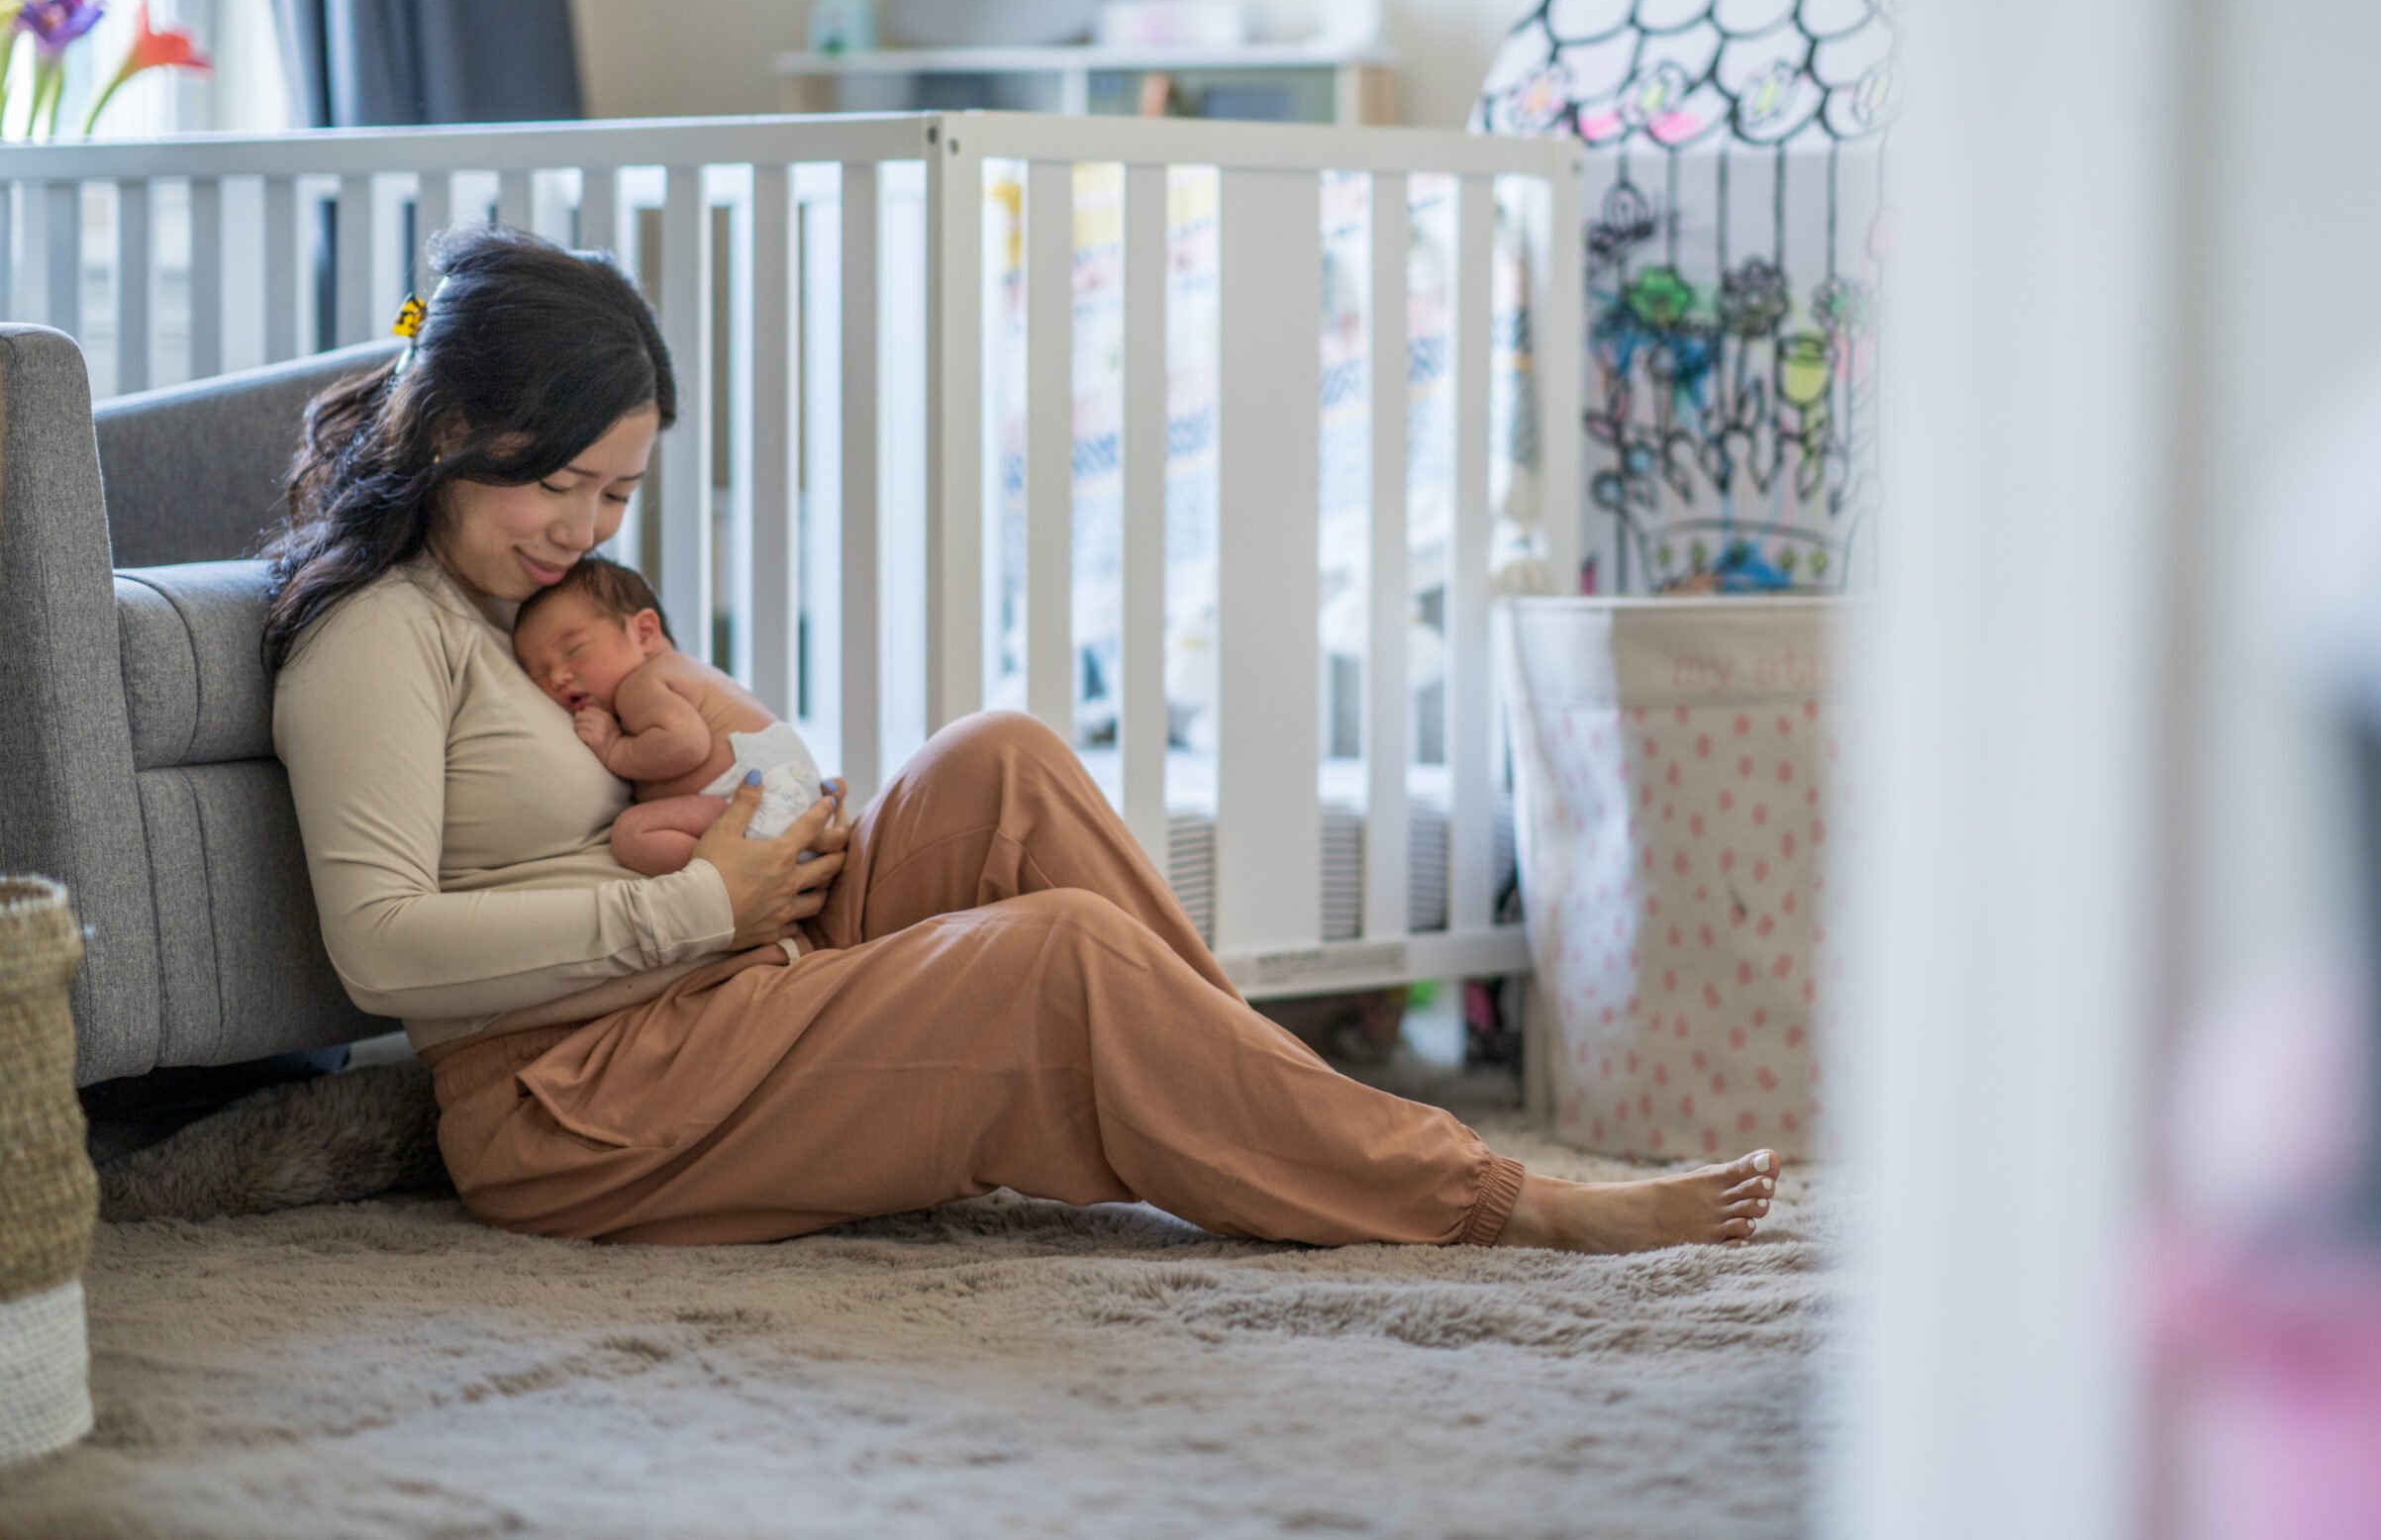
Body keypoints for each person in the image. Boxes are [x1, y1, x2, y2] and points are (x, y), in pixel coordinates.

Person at [264, 223, 1780, 1252]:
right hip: (586, 1093)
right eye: (564, 488)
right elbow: (383, 950)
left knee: (1000, 753)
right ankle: (1489, 1196)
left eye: (618, 497)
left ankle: (1305, 1113)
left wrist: (773, 816)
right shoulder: (376, 640)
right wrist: (700, 901)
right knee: (1053, 955)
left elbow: (675, 758)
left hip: (728, 964)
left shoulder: (530, 600)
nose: (587, 532)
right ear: (461, 429)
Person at [509, 555, 824, 875]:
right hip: (790, 801)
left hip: (758, 802)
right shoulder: (688, 671)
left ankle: (737, 879)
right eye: (539, 674)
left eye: (574, 650)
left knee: (633, 833)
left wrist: (615, 749)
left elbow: (686, 743)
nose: (558, 677)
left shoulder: (639, 685)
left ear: (644, 633)